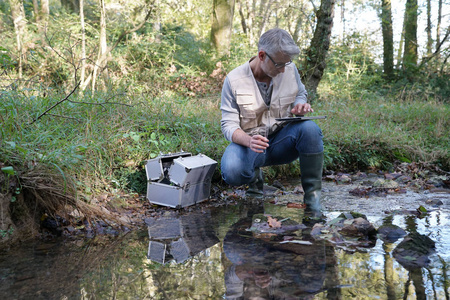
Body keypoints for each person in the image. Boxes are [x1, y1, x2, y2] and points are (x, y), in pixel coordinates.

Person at [220, 28, 324, 217]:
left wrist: (300, 105)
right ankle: (255, 179)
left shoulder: (289, 69)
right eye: (279, 64)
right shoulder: (234, 80)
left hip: (283, 142)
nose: (284, 69)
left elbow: (300, 93)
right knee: (232, 170)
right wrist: (248, 141)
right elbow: (228, 125)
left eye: (287, 63)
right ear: (262, 55)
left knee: (310, 128)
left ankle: (313, 201)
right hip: (250, 145)